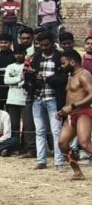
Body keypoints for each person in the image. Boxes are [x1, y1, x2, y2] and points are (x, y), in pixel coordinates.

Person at [27, 31, 66, 170]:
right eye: (41, 45)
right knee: (40, 131)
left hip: (53, 98)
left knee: (56, 131)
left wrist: (45, 79)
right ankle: (41, 160)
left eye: (46, 45)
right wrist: (32, 78)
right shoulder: (36, 57)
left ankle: (59, 162)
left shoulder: (60, 58)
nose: (43, 47)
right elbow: (29, 76)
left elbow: (63, 79)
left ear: (52, 44)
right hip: (38, 97)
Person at [56, 49, 92, 179]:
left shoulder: (84, 74)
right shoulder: (71, 77)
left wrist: (72, 106)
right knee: (62, 144)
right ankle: (77, 172)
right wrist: (62, 111)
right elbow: (71, 97)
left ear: (72, 62)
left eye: (63, 63)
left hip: (83, 112)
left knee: (85, 144)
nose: (61, 66)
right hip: (71, 115)